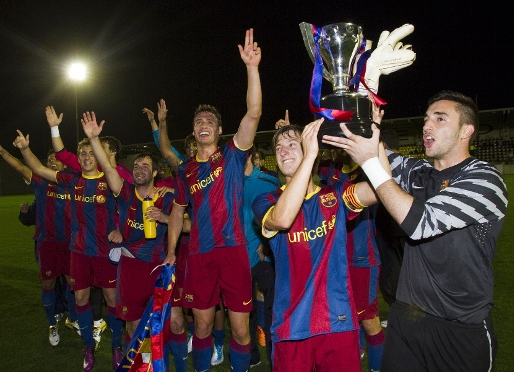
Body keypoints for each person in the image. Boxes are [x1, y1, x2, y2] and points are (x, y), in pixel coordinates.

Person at [323, 90, 508, 372]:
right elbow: (368, 148)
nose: (426, 125)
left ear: (466, 131)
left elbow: (421, 224)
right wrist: (363, 97)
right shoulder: (418, 172)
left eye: (440, 118)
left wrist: (371, 162)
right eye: (426, 118)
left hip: (459, 329)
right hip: (407, 319)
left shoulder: (484, 179)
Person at [160, 28, 262, 372]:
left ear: (219, 131)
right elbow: (177, 212)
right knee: (201, 325)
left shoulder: (233, 155)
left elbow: (253, 113)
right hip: (200, 255)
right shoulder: (185, 170)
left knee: (240, 328)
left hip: (233, 253)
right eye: (198, 121)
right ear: (194, 132)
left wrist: (251, 67)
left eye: (210, 121)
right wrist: (173, 250)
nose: (204, 124)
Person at [252, 119, 389, 371]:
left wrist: (374, 139)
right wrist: (308, 156)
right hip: (290, 325)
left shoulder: (334, 196)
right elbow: (282, 219)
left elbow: (382, 188)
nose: (283, 151)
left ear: (309, 150)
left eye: (293, 144)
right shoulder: (266, 200)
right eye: (279, 147)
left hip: (337, 321)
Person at [80, 111, 188, 372]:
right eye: (136, 166)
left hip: (160, 268)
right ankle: (142, 367)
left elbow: (187, 225)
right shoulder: (125, 193)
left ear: (154, 173)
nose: (139, 170)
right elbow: (107, 166)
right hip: (131, 270)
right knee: (134, 326)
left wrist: (163, 217)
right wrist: (94, 139)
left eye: (145, 167)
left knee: (176, 323)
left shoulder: (166, 198)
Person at [13, 130, 123, 371]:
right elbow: (40, 170)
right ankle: (88, 346)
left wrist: (122, 231)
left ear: (99, 157)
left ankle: (116, 346)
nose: (85, 157)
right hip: (80, 252)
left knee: (112, 300)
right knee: (81, 298)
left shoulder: (110, 180)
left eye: (90, 154)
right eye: (82, 154)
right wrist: (24, 149)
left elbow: (128, 204)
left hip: (105, 252)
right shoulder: (73, 180)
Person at [0, 147, 76, 346]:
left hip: (69, 244)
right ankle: (52, 324)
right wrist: (5, 154)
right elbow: (22, 168)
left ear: (64, 164)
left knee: (73, 283)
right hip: (47, 243)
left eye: (56, 159)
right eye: (49, 158)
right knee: (48, 284)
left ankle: (72, 318)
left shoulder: (72, 184)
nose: (52, 161)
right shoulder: (42, 183)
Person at [243, 147, 281, 367]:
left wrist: (266, 244)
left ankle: (275, 359)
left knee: (272, 310)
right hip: (239, 260)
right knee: (244, 312)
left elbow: (277, 216)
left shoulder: (269, 182)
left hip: (265, 258)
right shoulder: (230, 183)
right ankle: (251, 355)